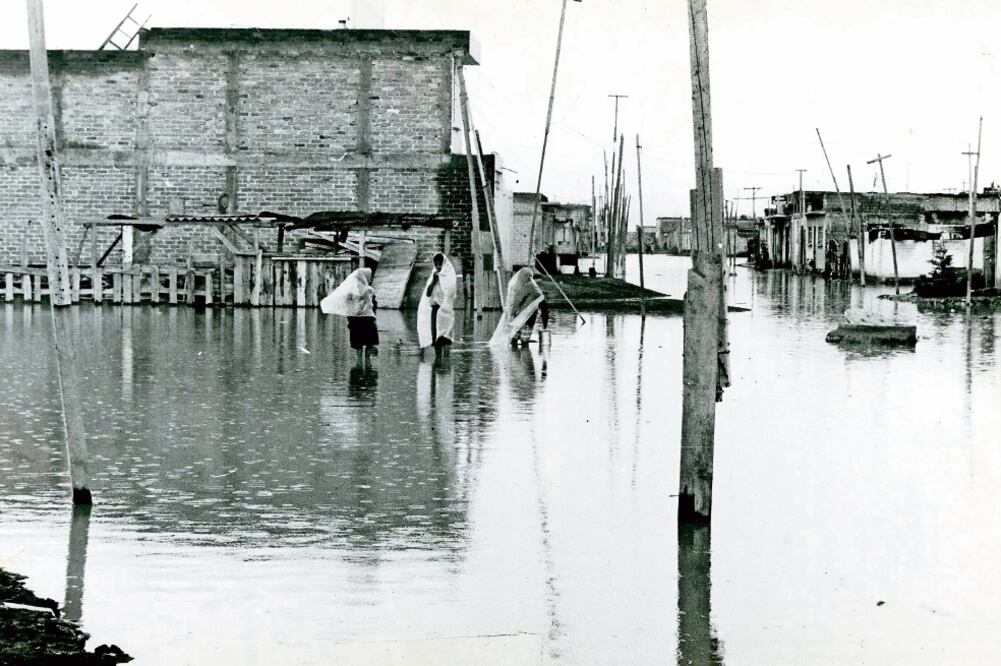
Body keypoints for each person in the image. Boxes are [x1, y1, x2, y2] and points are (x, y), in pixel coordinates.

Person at [320, 267, 379, 362]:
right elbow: (373, 304)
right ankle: (368, 366)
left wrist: (351, 318)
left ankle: (359, 365)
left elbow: (347, 305)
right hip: (368, 319)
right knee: (369, 343)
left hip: (356, 320)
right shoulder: (369, 290)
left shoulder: (351, 291)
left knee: (358, 345)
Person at [489, 267, 548, 348]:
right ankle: (524, 356)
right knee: (524, 340)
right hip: (530, 318)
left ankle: (515, 357)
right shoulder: (535, 287)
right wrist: (545, 324)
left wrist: (511, 314)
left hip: (519, 317)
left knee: (515, 337)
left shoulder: (522, 286)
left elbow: (517, 302)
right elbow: (543, 305)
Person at [417, 253, 456, 356]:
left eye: (440, 264)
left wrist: (442, 280)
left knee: (446, 337)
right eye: (436, 264)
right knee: (436, 336)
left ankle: (446, 364)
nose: (438, 267)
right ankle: (437, 362)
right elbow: (428, 293)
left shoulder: (449, 277)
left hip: (446, 311)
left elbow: (451, 292)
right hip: (435, 310)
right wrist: (434, 281)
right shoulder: (433, 277)